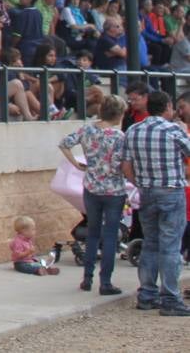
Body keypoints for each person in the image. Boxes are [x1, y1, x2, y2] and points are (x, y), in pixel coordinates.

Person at [121, 89, 190, 315]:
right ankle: (170, 298)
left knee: (150, 243)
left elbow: (126, 165)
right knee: (170, 246)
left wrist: (139, 182)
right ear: (168, 107)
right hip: (171, 190)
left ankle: (147, 294)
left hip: (147, 192)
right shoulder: (173, 130)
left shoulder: (133, 130)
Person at [59, 94, 128, 295]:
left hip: (91, 186)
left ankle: (87, 278)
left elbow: (65, 143)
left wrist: (76, 164)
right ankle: (105, 282)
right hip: (114, 190)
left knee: (93, 233)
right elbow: (121, 164)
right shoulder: (118, 136)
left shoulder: (87, 129)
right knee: (110, 235)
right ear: (118, 114)